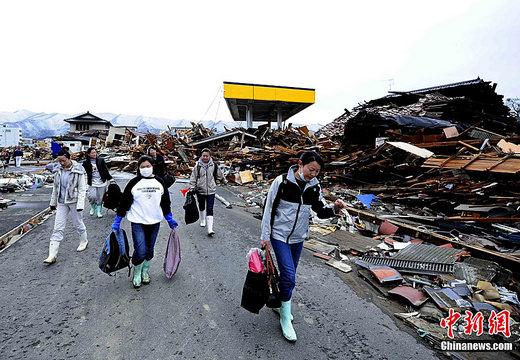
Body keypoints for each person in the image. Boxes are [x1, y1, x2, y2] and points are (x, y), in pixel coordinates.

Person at [260, 151, 347, 342]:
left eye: (317, 172)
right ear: (300, 164)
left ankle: (281, 305)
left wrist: (335, 209)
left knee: (287, 276)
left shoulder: (314, 187)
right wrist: (265, 236)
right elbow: (268, 209)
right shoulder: (281, 182)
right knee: (290, 277)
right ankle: (285, 317)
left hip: (299, 238)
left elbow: (321, 210)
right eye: (311, 169)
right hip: (279, 236)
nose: (313, 174)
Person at [111, 155, 178, 288]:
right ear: (139, 168)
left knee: (150, 250)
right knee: (141, 250)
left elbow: (165, 202)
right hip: (138, 221)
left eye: (148, 166)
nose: (145, 169)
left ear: (152, 167)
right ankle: (137, 272)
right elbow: (124, 203)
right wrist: (118, 220)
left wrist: (169, 218)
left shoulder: (159, 182)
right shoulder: (134, 183)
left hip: (154, 222)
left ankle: (145, 271)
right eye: (142, 167)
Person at [44, 149, 88, 264]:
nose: (61, 163)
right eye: (59, 161)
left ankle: (84, 241)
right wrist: (52, 203)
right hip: (61, 202)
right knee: (57, 227)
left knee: (78, 223)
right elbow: (55, 188)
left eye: (63, 161)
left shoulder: (78, 170)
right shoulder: (58, 170)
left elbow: (82, 189)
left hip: (74, 202)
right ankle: (52, 254)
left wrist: (80, 205)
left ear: (69, 158)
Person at [189, 148, 227, 236]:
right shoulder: (197, 166)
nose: (205, 157)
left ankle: (210, 229)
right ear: (201, 156)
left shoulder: (214, 165)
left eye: (207, 156)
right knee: (201, 206)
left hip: (211, 190)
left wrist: (224, 181)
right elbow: (193, 178)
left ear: (210, 156)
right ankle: (202, 220)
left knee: (210, 208)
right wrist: (192, 187)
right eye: (203, 156)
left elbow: (220, 174)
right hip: (200, 190)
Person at [82, 147, 113, 218]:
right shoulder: (86, 162)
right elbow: (82, 171)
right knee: (92, 196)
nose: (94, 154)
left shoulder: (101, 160)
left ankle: (99, 211)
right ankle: (93, 206)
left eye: (95, 152)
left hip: (102, 181)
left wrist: (110, 179)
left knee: (100, 197)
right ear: (89, 154)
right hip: (92, 182)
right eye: (92, 153)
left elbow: (105, 170)